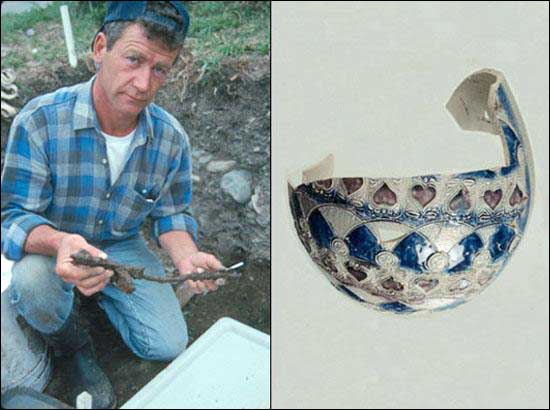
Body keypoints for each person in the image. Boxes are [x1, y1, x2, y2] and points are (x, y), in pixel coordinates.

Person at [0, 2, 224, 408]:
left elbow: (171, 215)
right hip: (55, 246)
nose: (143, 83)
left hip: (118, 245)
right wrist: (62, 244)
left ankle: (97, 297)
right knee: (34, 285)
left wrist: (187, 257)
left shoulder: (170, 139)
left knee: (167, 344)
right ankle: (73, 347)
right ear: (101, 48)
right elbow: (12, 216)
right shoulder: (39, 121)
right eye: (133, 59)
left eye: (160, 69)